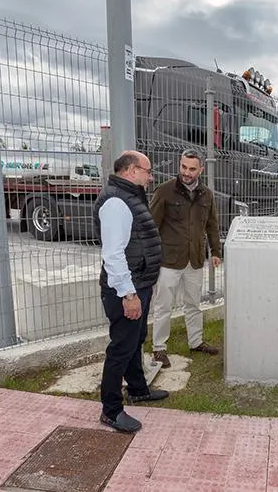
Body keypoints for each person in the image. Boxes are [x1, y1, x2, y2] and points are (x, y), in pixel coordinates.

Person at [93, 150, 169, 433]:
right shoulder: (116, 203)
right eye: (147, 171)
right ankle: (111, 410)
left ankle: (137, 389)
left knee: (135, 339)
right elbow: (113, 255)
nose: (151, 178)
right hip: (125, 290)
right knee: (121, 348)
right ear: (130, 170)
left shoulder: (129, 197)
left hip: (139, 284)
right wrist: (129, 294)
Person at [149, 149, 222, 368]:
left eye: (192, 169)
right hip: (169, 261)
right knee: (163, 306)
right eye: (183, 167)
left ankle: (196, 342)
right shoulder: (164, 191)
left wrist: (216, 251)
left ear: (201, 169)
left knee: (193, 304)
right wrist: (151, 256)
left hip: (195, 260)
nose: (186, 173)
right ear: (179, 165)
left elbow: (212, 225)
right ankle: (159, 349)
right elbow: (152, 226)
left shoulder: (207, 195)